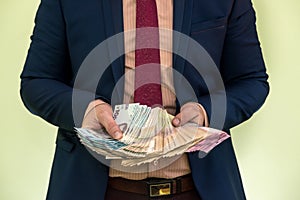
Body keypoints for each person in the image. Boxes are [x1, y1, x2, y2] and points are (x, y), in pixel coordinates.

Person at [20, 0, 269, 199]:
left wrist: (205, 112)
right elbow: (36, 81)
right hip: (94, 186)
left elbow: (251, 80)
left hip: (200, 187)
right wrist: (87, 110)